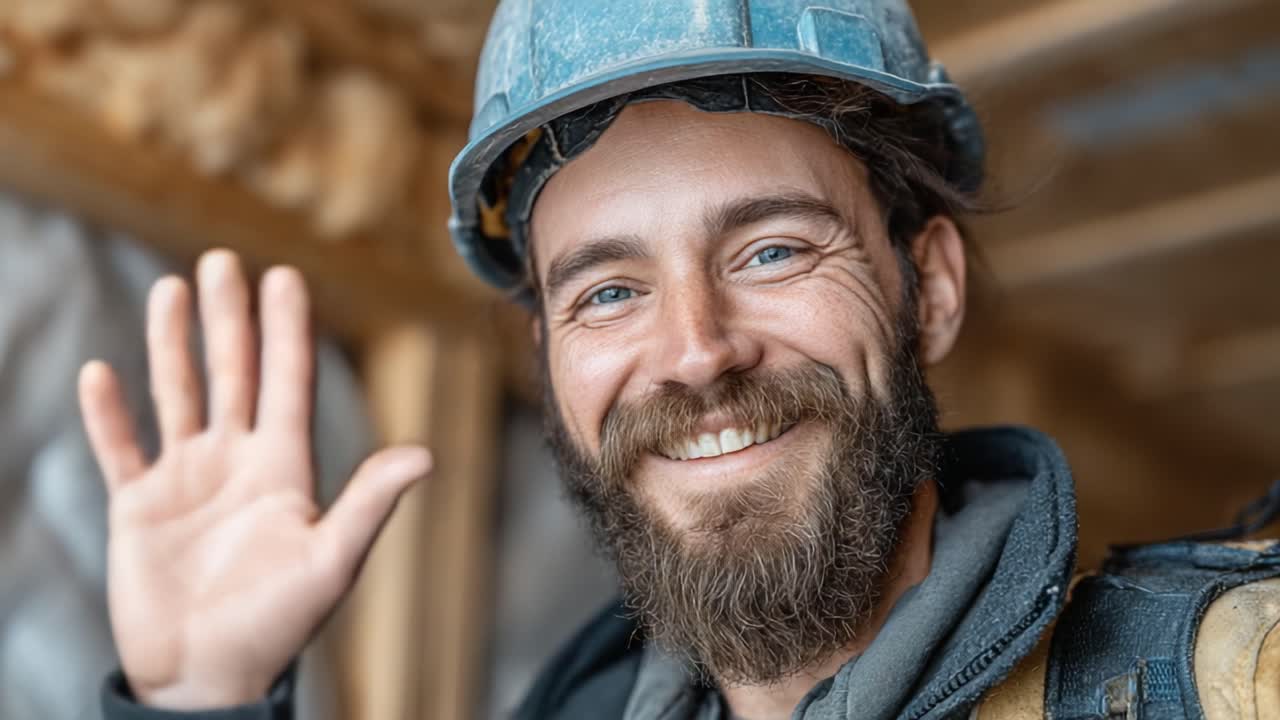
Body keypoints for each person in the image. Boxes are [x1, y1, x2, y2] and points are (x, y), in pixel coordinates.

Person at [83, 1, 1280, 719]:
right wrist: (203, 698)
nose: (695, 352)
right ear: (550, 359)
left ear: (930, 291)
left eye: (768, 250)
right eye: (608, 291)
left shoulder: (1222, 677)